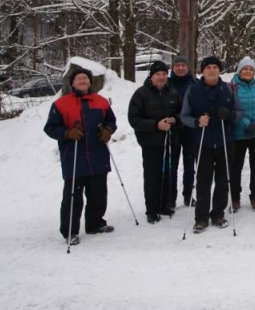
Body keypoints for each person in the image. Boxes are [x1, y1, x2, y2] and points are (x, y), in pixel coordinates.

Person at [44, 67, 117, 245]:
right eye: (79, 79)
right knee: (72, 196)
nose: (83, 81)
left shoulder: (100, 101)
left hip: (97, 154)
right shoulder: (61, 104)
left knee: (98, 194)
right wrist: (67, 133)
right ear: (72, 83)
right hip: (74, 155)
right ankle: (70, 230)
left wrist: (108, 130)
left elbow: (111, 121)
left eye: (85, 78)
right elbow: (50, 128)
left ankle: (95, 223)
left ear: (90, 82)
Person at [180, 57, 244, 234]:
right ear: (203, 70)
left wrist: (229, 116)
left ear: (219, 70)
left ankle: (218, 213)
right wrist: (197, 121)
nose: (212, 70)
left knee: (223, 179)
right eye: (208, 67)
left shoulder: (228, 89)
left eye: (215, 67)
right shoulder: (193, 90)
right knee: (203, 180)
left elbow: (239, 112)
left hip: (225, 140)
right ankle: (201, 217)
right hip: (203, 142)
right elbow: (184, 116)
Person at [127, 61, 183, 224]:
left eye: (164, 74)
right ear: (151, 76)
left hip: (170, 140)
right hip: (151, 142)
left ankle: (165, 205)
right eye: (158, 74)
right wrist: (155, 125)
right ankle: (151, 210)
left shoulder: (173, 92)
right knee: (152, 176)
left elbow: (183, 113)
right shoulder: (141, 93)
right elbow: (134, 118)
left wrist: (176, 120)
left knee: (168, 174)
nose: (161, 77)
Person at [230, 57, 255, 212]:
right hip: (238, 134)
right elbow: (232, 110)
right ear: (239, 71)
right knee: (236, 167)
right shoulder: (232, 87)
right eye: (245, 69)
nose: (248, 71)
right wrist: (246, 124)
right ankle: (235, 198)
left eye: (251, 69)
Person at [169, 54, 197, 207]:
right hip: (172, 130)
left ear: (188, 67)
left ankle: (188, 195)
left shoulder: (194, 83)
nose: (180, 68)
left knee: (189, 166)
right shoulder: (167, 83)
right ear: (173, 68)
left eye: (183, 65)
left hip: (190, 130)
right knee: (172, 166)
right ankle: (170, 198)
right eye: (177, 65)